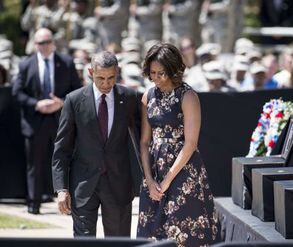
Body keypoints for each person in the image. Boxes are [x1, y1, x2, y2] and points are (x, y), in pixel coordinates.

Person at [137, 43, 220, 246]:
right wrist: (149, 179)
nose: (156, 78)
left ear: (173, 70)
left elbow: (191, 143)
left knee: (184, 232)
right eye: (152, 73)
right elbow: (144, 142)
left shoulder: (188, 96)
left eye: (161, 73)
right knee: (152, 232)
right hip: (154, 170)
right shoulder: (148, 96)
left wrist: (166, 182)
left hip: (183, 172)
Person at [52, 51, 140, 237]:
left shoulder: (129, 98)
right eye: (101, 78)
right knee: (84, 242)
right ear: (91, 72)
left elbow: (141, 142)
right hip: (83, 186)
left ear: (117, 71)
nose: (106, 84)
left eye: (111, 78)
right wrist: (61, 189)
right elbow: (62, 149)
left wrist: (149, 175)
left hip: (118, 185)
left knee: (118, 242)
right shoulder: (74, 100)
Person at [12, 28, 81, 214]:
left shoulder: (66, 63)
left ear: (53, 43)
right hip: (35, 122)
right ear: (35, 44)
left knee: (67, 162)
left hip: (61, 121)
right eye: (40, 43)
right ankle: (33, 205)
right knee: (35, 164)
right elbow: (16, 92)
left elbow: (78, 90)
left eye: (47, 42)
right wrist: (37, 104)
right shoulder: (26, 65)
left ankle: (69, 205)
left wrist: (62, 103)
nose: (44, 46)